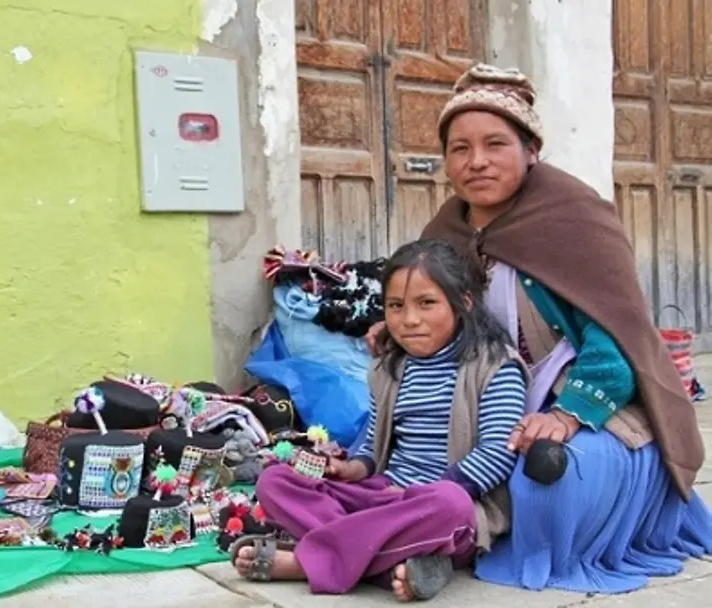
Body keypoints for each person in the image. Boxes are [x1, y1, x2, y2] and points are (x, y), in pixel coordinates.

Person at [365, 63, 712, 593]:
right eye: (459, 148)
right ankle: (430, 541)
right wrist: (396, 327)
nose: (476, 161)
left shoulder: (578, 219)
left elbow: (617, 338)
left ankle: (455, 541)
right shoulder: (448, 227)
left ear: (531, 151)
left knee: (545, 475)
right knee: (389, 445)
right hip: (488, 394)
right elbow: (442, 307)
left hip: (590, 400)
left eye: (495, 144)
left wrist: (569, 415)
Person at [230, 239, 529, 601]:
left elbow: (498, 452)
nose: (410, 320)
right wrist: (351, 469)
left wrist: (412, 496)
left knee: (451, 505)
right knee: (276, 480)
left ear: (463, 304)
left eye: (427, 303)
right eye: (396, 306)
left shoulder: (496, 366)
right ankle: (395, 565)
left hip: (437, 507)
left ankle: (310, 561)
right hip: (382, 497)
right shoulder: (390, 368)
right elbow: (374, 443)